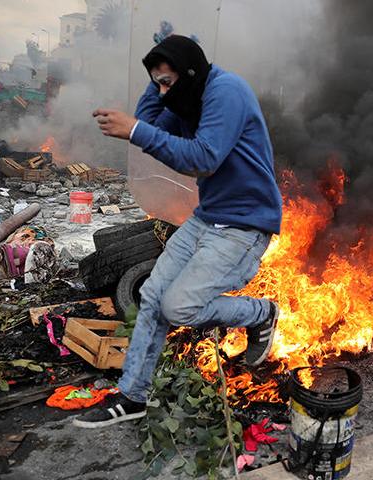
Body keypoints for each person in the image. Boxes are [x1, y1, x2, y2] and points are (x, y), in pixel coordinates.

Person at [74, 35, 283, 428]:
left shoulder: (226, 92)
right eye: (157, 83)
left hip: (245, 225)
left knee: (178, 307)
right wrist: (155, 81)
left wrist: (135, 128)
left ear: (191, 74)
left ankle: (261, 313)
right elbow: (151, 125)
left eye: (168, 82)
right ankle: (132, 396)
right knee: (152, 296)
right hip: (208, 218)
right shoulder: (188, 95)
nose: (162, 91)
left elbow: (202, 158)